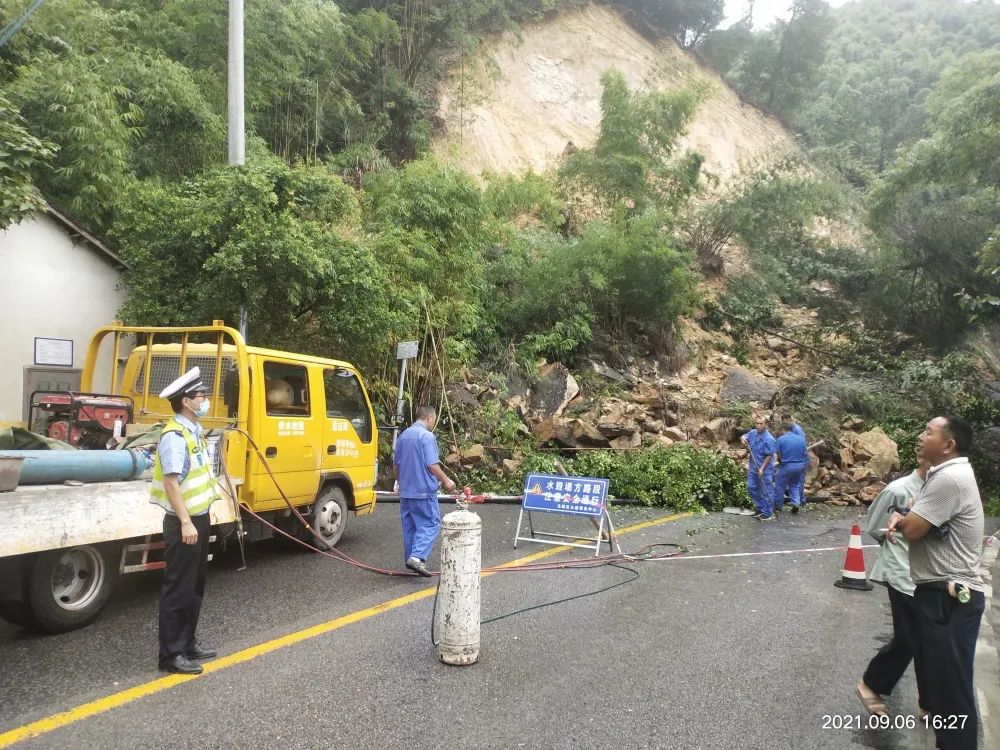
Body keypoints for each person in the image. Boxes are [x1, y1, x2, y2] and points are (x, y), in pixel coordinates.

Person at [888, 415, 985, 750]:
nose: (920, 436)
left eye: (928, 432)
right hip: (941, 594)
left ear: (948, 444)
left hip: (948, 596)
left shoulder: (950, 478)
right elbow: (918, 518)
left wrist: (902, 520)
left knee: (951, 692)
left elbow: (914, 528)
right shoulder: (945, 475)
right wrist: (909, 516)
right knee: (945, 688)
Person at [150, 366, 220, 675]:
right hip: (184, 523)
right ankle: (171, 655)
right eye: (201, 396)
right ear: (186, 401)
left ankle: (188, 643)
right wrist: (186, 522)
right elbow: (171, 483)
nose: (205, 400)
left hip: (199, 519)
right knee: (178, 587)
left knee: (195, 586)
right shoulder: (174, 436)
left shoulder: (193, 431)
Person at [855, 458, 929, 719]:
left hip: (929, 575)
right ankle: (871, 683)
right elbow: (875, 526)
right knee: (909, 637)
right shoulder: (898, 490)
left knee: (927, 638)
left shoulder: (942, 489)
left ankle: (929, 702)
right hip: (901, 571)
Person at [393, 405, 456, 576]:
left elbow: (396, 465)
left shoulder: (403, 436)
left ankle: (410, 560)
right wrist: (446, 480)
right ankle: (417, 557)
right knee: (430, 523)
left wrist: (399, 482)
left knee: (411, 526)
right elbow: (432, 465)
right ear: (429, 418)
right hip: (423, 490)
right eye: (433, 420)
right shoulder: (426, 436)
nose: (433, 423)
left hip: (406, 491)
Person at [741, 416, 777, 521]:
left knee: (766, 491)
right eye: (757, 423)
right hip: (753, 466)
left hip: (765, 469)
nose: (758, 425)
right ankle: (760, 508)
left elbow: (769, 456)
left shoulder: (769, 439)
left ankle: (767, 513)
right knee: (751, 487)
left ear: (766, 425)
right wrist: (743, 438)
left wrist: (762, 469)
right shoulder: (752, 433)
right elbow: (744, 436)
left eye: (761, 424)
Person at [773, 417, 809, 513]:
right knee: (794, 485)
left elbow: (779, 455)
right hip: (800, 466)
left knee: (780, 486)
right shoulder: (801, 439)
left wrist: (779, 462)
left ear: (783, 429)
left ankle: (777, 506)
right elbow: (804, 452)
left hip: (787, 466)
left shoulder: (780, 440)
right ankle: (796, 503)